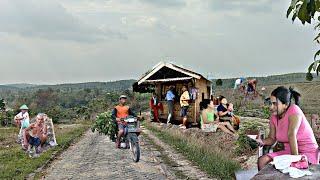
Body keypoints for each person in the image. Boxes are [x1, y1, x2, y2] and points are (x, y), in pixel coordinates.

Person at [256, 86, 319, 171]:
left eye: (275, 104)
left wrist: (295, 160)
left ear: (285, 105)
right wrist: (262, 141)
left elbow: (291, 134)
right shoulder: (274, 117)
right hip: (288, 152)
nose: (271, 107)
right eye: (270, 103)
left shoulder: (294, 110)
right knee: (262, 160)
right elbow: (271, 138)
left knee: (289, 170)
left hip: (307, 152)